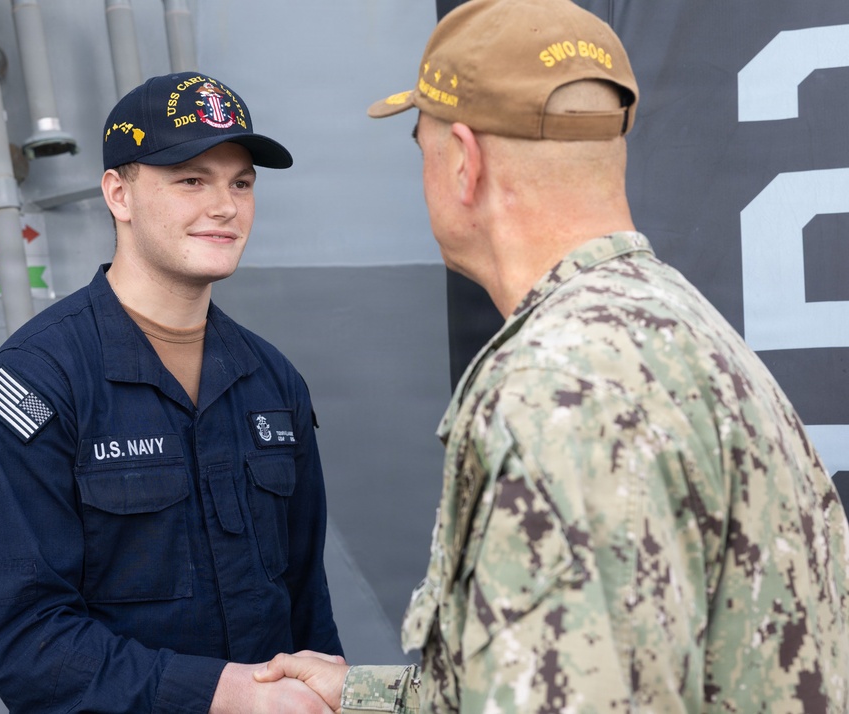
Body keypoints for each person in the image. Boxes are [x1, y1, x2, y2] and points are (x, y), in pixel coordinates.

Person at [254, 0, 849, 711]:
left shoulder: (557, 393)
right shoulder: (684, 331)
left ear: (464, 163)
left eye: (422, 143)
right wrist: (361, 697)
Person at [0, 71, 343, 713]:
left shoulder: (273, 380)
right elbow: (28, 642)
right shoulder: (35, 382)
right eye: (192, 179)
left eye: (241, 182)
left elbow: (307, 605)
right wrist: (218, 694)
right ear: (120, 193)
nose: (225, 206)